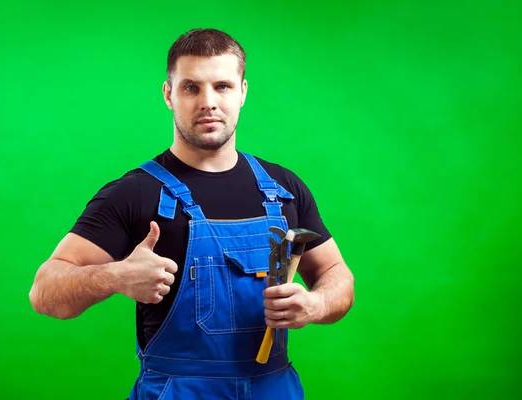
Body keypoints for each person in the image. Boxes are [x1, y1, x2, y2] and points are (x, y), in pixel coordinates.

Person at [29, 28, 355, 399]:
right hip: (179, 390)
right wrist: (114, 277)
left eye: (222, 86)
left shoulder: (283, 190)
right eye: (191, 87)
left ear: (243, 91)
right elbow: (45, 291)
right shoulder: (134, 193)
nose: (209, 102)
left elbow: (336, 274)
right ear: (169, 94)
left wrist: (316, 304)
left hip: (274, 388)